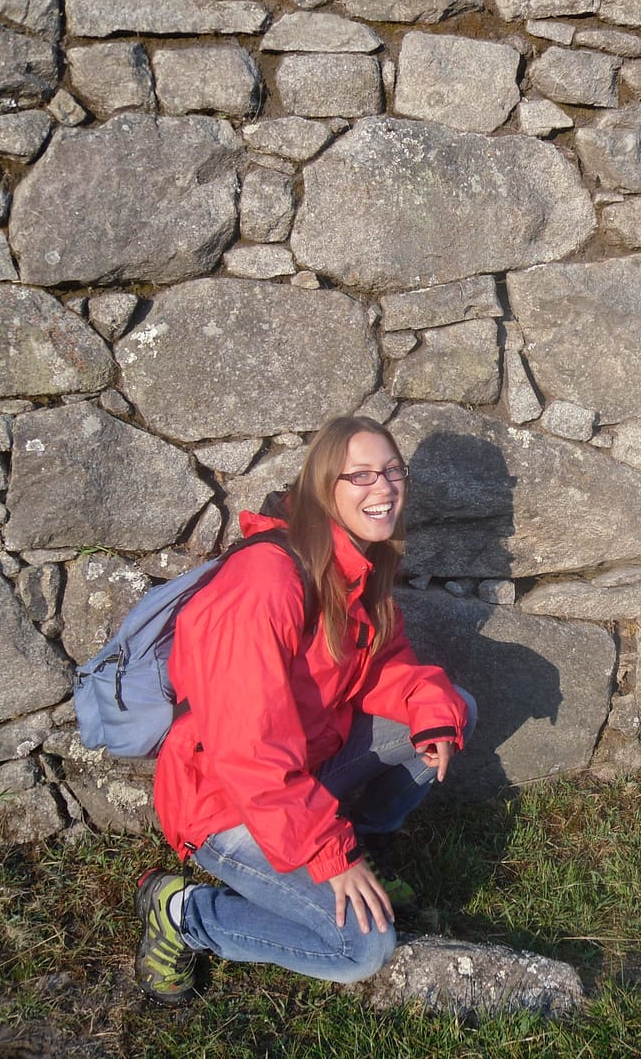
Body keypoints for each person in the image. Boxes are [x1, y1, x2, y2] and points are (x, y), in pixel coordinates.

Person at [133, 415, 476, 1005]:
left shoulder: (355, 565)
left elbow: (384, 662)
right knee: (360, 950)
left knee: (452, 709)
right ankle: (185, 915)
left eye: (393, 471)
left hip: (304, 769)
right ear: (325, 487)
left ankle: (361, 844)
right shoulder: (263, 585)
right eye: (362, 475)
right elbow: (249, 752)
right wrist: (326, 854)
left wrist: (428, 709)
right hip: (226, 802)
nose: (385, 487)